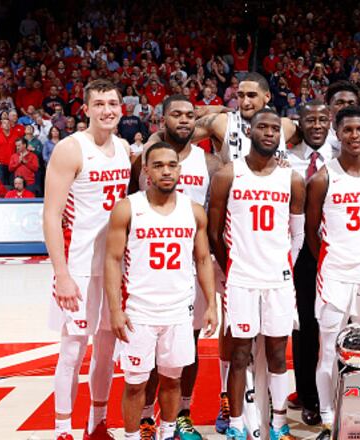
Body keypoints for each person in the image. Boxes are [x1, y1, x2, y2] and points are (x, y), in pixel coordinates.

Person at [103, 142, 217, 440]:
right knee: (135, 384)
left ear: (179, 169)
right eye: (158, 165)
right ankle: (132, 436)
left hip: (179, 311)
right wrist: (115, 309)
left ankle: (167, 434)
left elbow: (203, 259)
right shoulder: (128, 208)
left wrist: (212, 304)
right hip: (138, 312)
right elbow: (113, 260)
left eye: (172, 165)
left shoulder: (194, 211)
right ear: (146, 171)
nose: (166, 171)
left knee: (171, 380)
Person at [208, 108, 306, 440]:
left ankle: (279, 423)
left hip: (278, 280)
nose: (268, 133)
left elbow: (298, 234)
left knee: (279, 353)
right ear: (249, 132)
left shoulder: (291, 178)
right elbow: (214, 230)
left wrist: (282, 264)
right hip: (242, 280)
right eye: (262, 127)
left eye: (274, 129)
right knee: (239, 353)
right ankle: (236, 424)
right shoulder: (227, 174)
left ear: (281, 134)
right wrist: (232, 264)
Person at [129, 94, 223, 439]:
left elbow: (214, 218)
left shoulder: (209, 162)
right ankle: (144, 415)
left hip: (190, 268)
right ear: (162, 119)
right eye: (176, 115)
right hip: (148, 269)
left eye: (189, 115)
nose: (184, 120)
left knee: (188, 345)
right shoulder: (143, 161)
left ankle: (182, 412)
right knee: (149, 348)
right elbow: (131, 204)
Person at [42, 79, 131, 440]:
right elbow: (50, 215)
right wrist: (61, 274)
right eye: (99, 104)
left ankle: (97, 424)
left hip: (114, 267)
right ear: (87, 108)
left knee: (107, 349)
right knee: (73, 348)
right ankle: (63, 428)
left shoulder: (125, 148)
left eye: (113, 103)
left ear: (122, 108)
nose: (107, 110)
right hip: (78, 264)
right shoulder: (70, 149)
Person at [305, 106, 360, 440]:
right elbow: (313, 233)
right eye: (347, 130)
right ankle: (329, 417)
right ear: (337, 133)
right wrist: (333, 262)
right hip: (335, 276)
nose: (354, 136)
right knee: (329, 348)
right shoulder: (322, 178)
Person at [286, 100, 336, 426]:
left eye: (322, 119)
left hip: (337, 251)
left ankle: (341, 391)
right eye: (310, 120)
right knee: (305, 325)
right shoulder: (287, 160)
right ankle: (308, 395)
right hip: (302, 252)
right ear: (299, 123)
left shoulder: (343, 157)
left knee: (336, 324)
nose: (316, 125)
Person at [183, 72, 296, 163]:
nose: (245, 102)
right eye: (241, 95)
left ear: (267, 96)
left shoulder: (286, 125)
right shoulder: (222, 122)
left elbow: (309, 147)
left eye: (251, 95)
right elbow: (175, 138)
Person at [323, 81, 359, 156]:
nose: (346, 107)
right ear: (328, 108)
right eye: (340, 103)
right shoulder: (319, 135)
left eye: (351, 103)